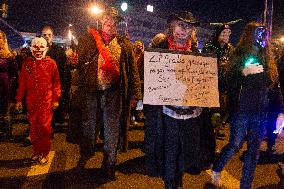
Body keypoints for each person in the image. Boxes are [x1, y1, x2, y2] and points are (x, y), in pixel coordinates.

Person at [211, 22, 284, 189]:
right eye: (259, 33)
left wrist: (281, 111)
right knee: (235, 144)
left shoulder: (268, 58)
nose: (263, 38)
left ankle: (245, 186)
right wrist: (242, 73)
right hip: (242, 109)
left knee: (254, 150)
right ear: (250, 35)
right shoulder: (239, 54)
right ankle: (217, 168)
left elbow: (275, 85)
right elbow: (225, 81)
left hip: (261, 111)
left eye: (265, 35)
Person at [75, 7, 141, 180]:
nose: (110, 25)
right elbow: (80, 67)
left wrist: (135, 95)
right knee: (89, 126)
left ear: (117, 25)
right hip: (92, 92)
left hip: (114, 94)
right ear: (101, 23)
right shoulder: (88, 41)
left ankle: (109, 163)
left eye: (114, 23)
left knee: (112, 130)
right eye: (107, 22)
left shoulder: (125, 45)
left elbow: (133, 72)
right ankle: (86, 154)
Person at [144, 11, 209, 189]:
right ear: (172, 27)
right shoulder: (160, 49)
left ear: (192, 31)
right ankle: (171, 183)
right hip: (167, 112)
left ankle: (177, 179)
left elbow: (201, 83)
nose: (183, 30)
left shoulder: (196, 54)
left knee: (186, 151)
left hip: (190, 113)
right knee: (170, 150)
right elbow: (150, 79)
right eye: (180, 25)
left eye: (188, 27)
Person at [15, 37, 61, 165]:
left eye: (41, 47)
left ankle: (44, 153)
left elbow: (56, 82)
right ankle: (36, 152)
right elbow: (22, 83)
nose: (38, 49)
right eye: (35, 47)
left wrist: (55, 99)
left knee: (45, 128)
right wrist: (19, 99)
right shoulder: (27, 63)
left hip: (46, 102)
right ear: (31, 48)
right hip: (31, 102)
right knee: (34, 129)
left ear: (46, 48)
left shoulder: (51, 63)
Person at [42, 26, 68, 125]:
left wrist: (63, 86)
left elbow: (63, 69)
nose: (47, 37)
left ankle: (49, 130)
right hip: (40, 85)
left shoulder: (59, 50)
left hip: (54, 84)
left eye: (49, 35)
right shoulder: (36, 50)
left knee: (52, 109)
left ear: (53, 36)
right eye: (44, 35)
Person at [0, 30, 17, 138]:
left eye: (0, 38)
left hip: (4, 85)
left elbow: (14, 73)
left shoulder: (9, 55)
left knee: (5, 108)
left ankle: (7, 130)